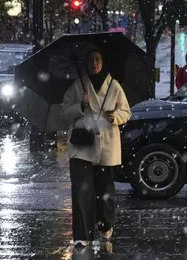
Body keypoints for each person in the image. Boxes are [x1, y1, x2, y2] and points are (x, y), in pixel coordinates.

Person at [62, 49, 131, 250]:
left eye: (98, 59)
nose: (94, 63)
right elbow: (65, 112)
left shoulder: (114, 86)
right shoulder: (77, 86)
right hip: (81, 145)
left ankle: (105, 227)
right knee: (81, 192)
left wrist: (115, 117)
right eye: (91, 60)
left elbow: (126, 111)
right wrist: (80, 106)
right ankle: (82, 234)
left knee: (105, 192)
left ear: (103, 62)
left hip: (107, 146)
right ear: (85, 63)